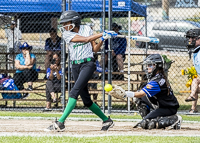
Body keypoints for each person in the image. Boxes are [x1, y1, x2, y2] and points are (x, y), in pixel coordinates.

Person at [45, 10, 117, 132]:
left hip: (88, 64)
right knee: (86, 100)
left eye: (66, 23)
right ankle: (106, 120)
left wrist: (103, 39)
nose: (63, 26)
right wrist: (101, 33)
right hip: (75, 66)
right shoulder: (67, 34)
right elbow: (86, 40)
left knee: (74, 91)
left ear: (74, 22)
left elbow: (94, 49)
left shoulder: (87, 28)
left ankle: (60, 122)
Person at [109, 54, 182, 130]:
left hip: (168, 108)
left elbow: (141, 94)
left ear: (157, 66)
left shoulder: (156, 81)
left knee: (151, 123)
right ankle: (147, 119)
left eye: (150, 65)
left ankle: (175, 119)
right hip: (161, 105)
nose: (147, 67)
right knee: (139, 100)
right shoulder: (157, 77)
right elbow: (142, 94)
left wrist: (125, 94)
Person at [184, 29, 200, 113]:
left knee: (195, 81)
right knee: (194, 84)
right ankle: (193, 109)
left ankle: (192, 96)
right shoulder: (196, 52)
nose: (190, 40)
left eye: (193, 38)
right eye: (189, 38)